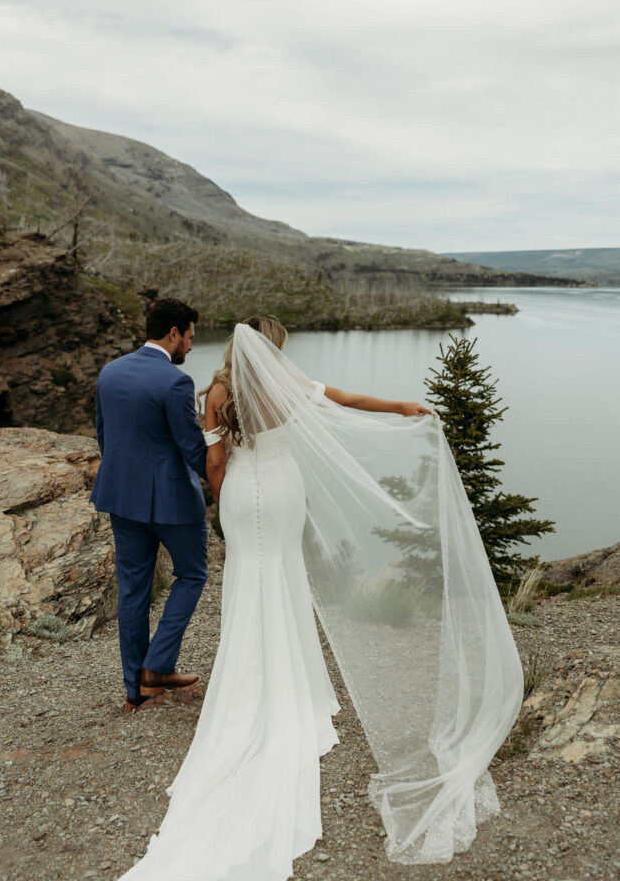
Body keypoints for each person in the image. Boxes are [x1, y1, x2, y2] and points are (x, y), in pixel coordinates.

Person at [118, 316, 523, 879]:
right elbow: (346, 400)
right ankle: (297, 683)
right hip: (284, 489)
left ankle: (250, 681)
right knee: (284, 576)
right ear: (272, 350)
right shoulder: (284, 386)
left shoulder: (216, 391)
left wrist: (221, 498)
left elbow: (213, 460)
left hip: (241, 492)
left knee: (248, 579)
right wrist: (404, 408)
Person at [90, 297, 208, 713]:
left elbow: (105, 438)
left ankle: (134, 691)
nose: (191, 347)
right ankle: (157, 667)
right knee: (193, 574)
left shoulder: (110, 372)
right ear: (173, 334)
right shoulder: (176, 383)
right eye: (190, 338)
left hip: (121, 497)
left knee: (133, 591)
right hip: (172, 501)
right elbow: (193, 450)